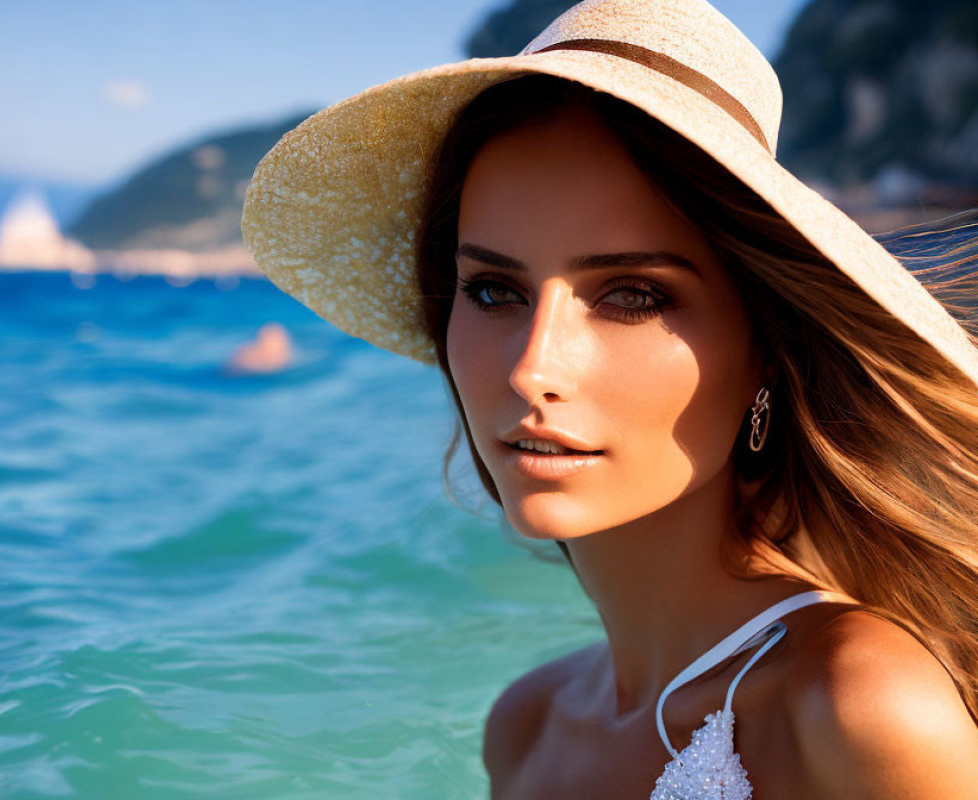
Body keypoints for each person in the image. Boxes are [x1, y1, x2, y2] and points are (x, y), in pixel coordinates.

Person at [241, 0, 978, 796]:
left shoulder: (860, 706)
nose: (531, 368)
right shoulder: (524, 729)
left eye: (631, 295)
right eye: (492, 290)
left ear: (767, 348)